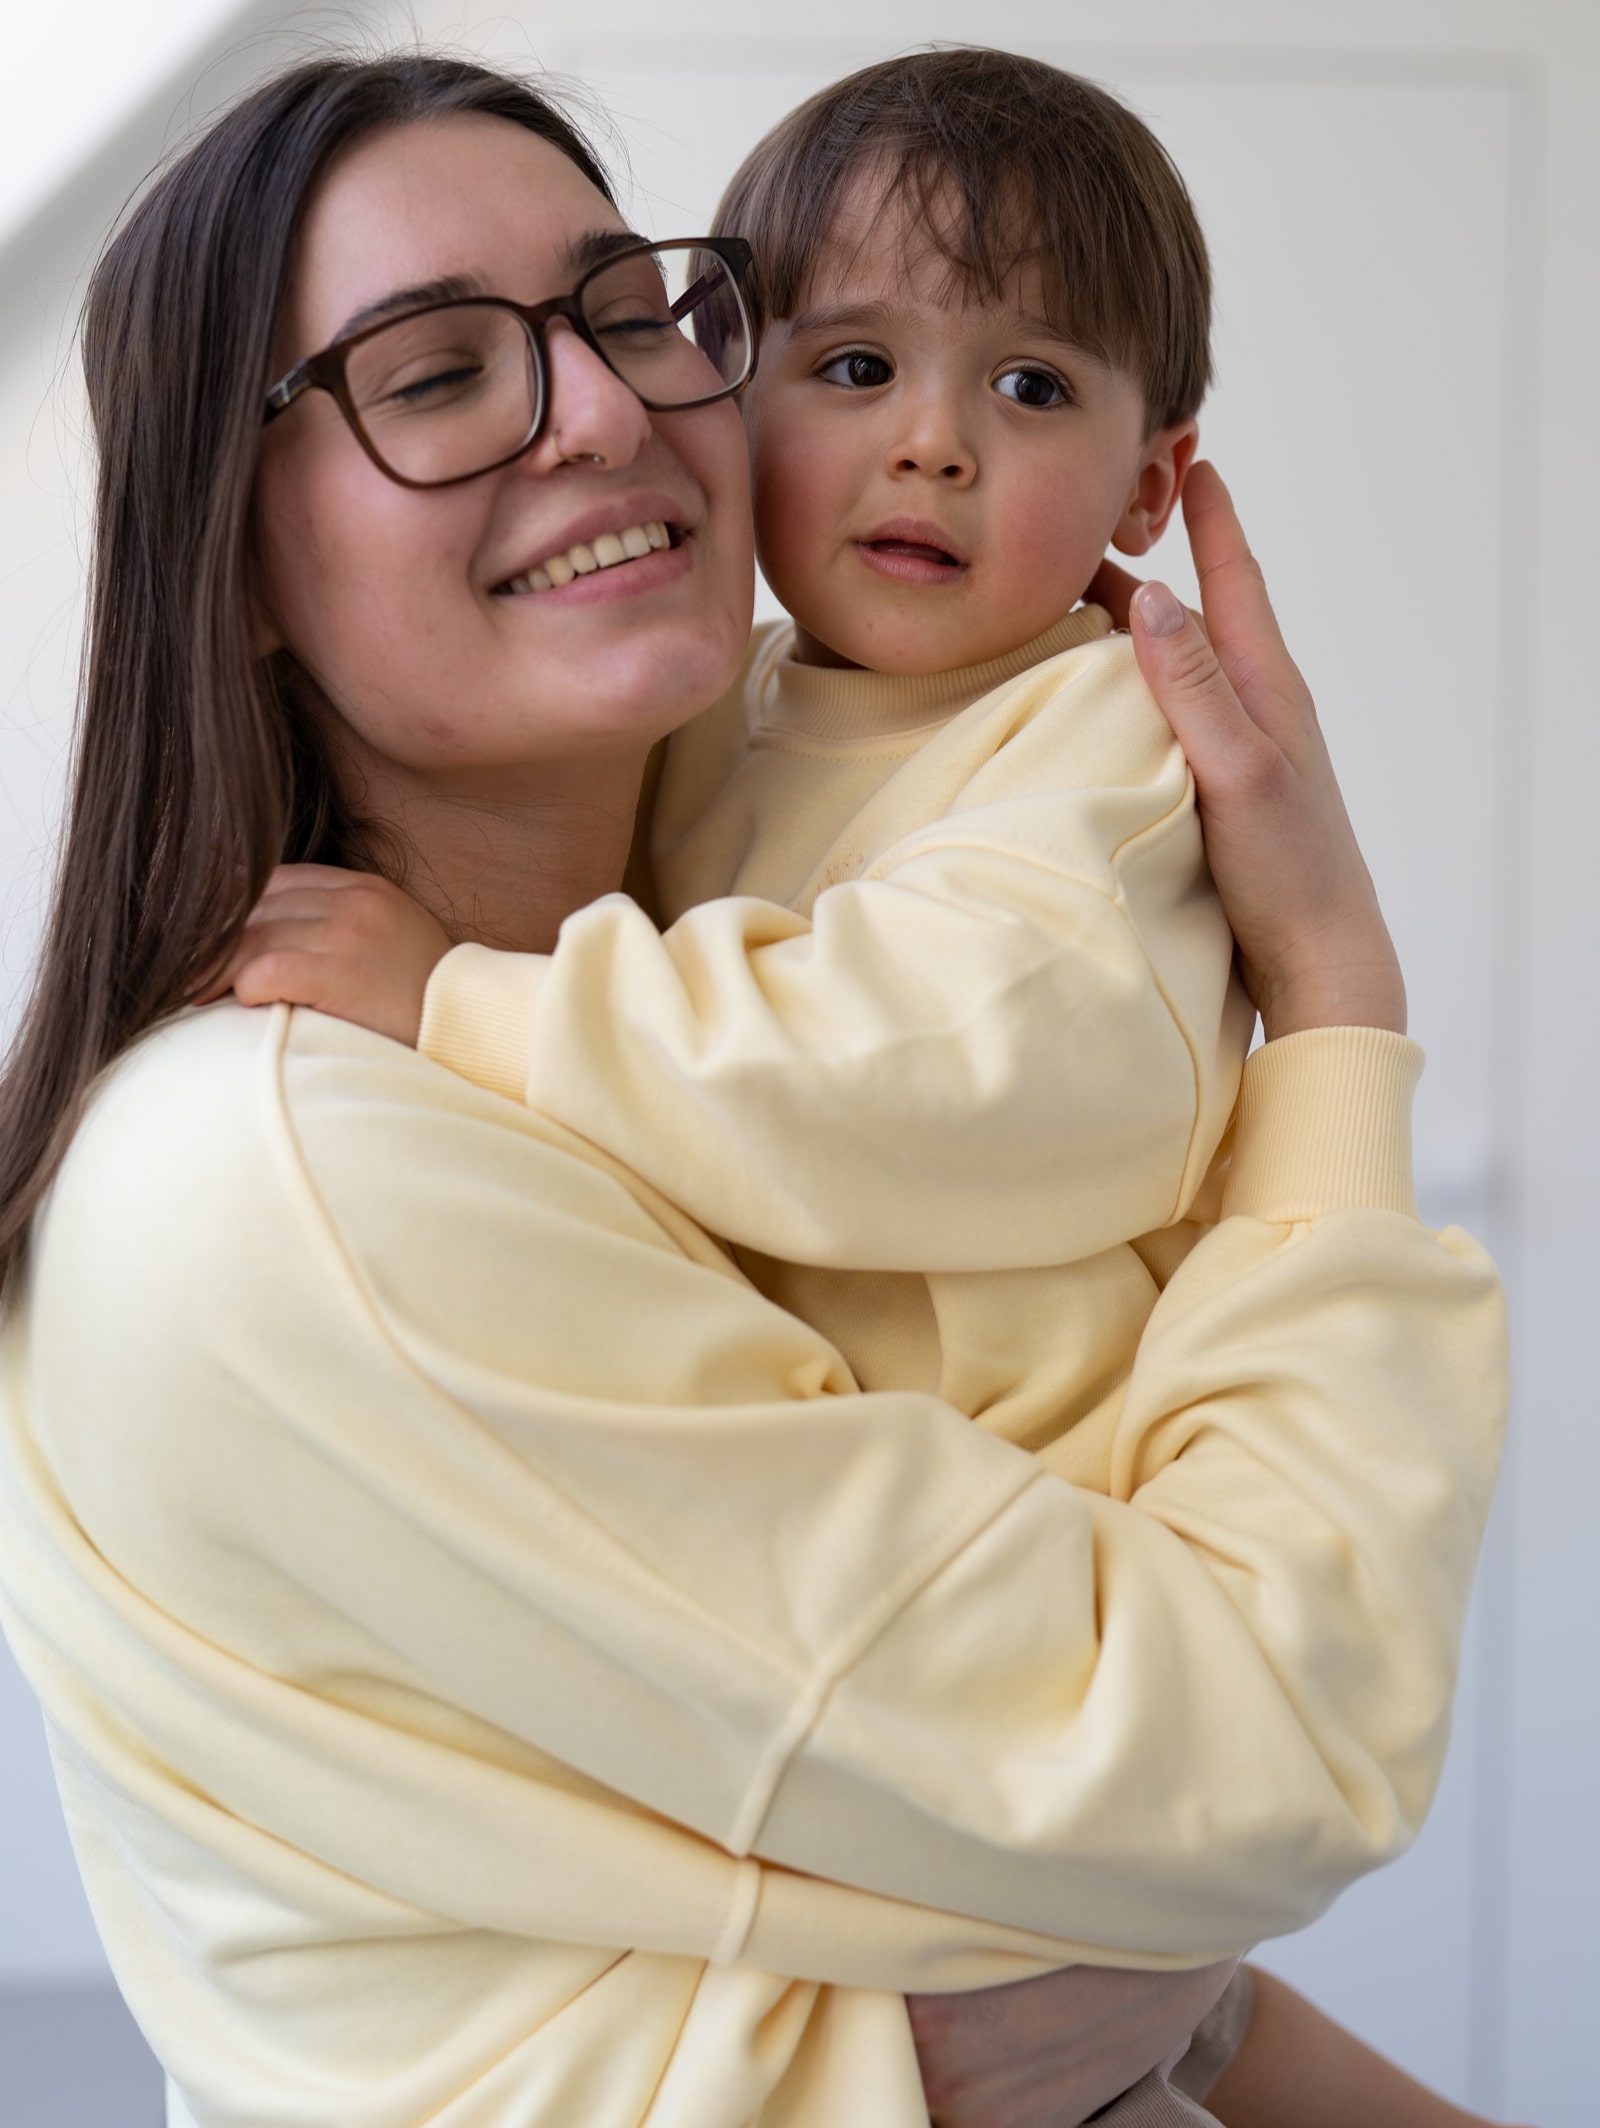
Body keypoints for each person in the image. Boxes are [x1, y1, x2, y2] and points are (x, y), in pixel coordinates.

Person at [0, 51, 1506, 2128]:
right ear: (232, 559)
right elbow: (1261, 1758)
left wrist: (1169, 1983)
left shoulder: (840, 854)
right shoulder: (292, 1174)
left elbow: (1090, 1985)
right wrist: (1330, 1011)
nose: (602, 409)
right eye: (434, 375)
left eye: (631, 313)